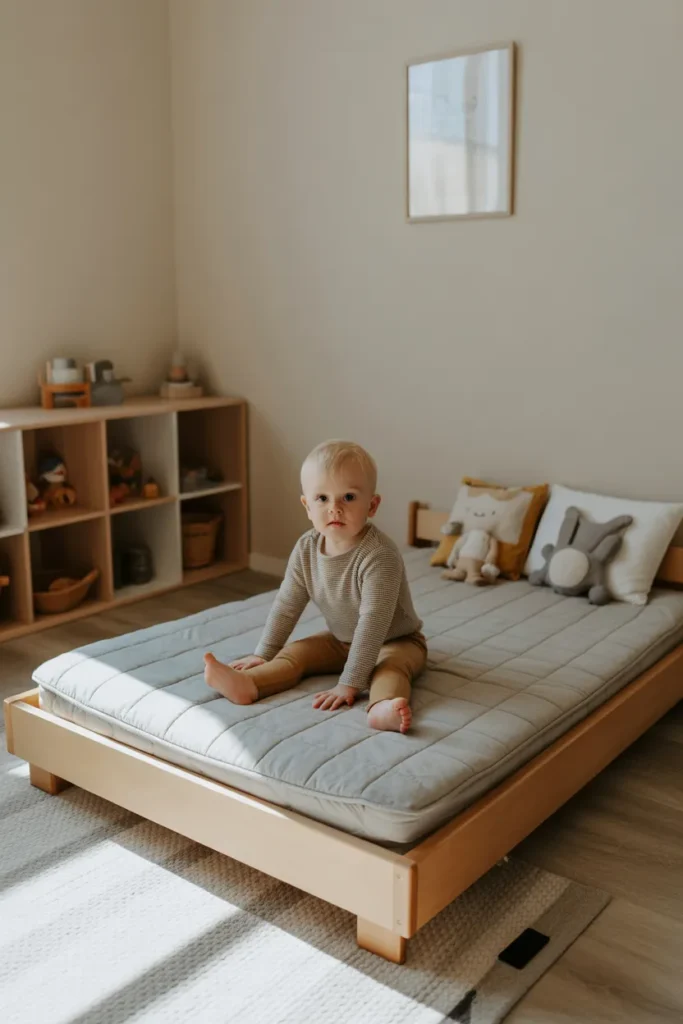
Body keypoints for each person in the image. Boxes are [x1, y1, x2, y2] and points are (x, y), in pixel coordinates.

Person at [204, 440, 426, 733]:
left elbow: (373, 624)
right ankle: (248, 684)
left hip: (397, 641)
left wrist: (349, 683)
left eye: (348, 497)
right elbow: (287, 604)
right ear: (307, 506)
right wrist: (264, 653)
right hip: (341, 639)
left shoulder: (379, 555)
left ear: (371, 505)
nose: (334, 508)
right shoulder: (307, 548)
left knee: (390, 668)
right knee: (297, 653)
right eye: (322, 498)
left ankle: (383, 707)